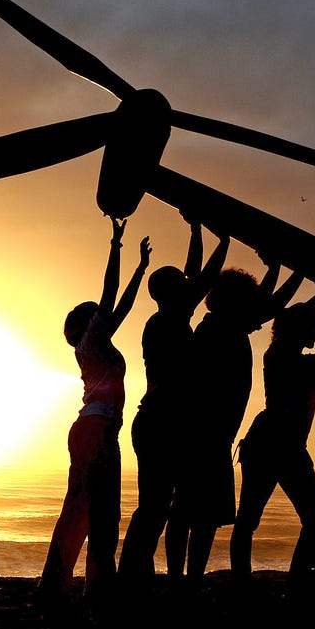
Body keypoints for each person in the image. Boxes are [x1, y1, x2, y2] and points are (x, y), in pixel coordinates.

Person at [166, 256, 302, 577]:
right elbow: (269, 306)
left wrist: (279, 268)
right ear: (236, 303)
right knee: (192, 515)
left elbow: (264, 305)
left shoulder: (222, 326)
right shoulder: (218, 330)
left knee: (197, 515)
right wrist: (289, 268)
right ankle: (181, 581)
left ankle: (185, 582)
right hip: (203, 435)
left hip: (210, 436)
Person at [38, 216, 151, 602]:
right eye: (97, 315)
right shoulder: (89, 342)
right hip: (97, 430)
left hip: (93, 428)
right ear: (87, 323)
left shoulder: (94, 345)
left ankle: (58, 585)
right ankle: (95, 590)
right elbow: (110, 293)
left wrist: (140, 268)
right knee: (102, 512)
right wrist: (116, 246)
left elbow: (120, 305)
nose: (104, 317)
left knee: (82, 508)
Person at [117, 216, 228, 577]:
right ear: (172, 293)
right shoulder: (168, 320)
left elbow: (193, 274)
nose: (188, 285)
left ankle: (135, 577)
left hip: (156, 422)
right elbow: (203, 278)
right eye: (181, 285)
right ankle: (132, 578)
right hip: (159, 424)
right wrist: (222, 240)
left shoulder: (168, 317)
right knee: (155, 507)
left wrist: (196, 230)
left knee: (156, 506)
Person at [229, 287, 315, 577]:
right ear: (299, 330)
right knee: (251, 519)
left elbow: (296, 318)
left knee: (313, 518)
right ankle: (248, 583)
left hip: (287, 445)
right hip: (270, 444)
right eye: (312, 328)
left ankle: (296, 579)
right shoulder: (281, 355)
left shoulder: (289, 353)